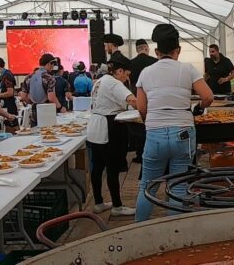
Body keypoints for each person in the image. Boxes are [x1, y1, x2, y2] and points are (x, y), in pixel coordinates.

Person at [135, 24, 213, 222]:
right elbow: (208, 96)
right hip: (184, 133)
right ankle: (174, 230)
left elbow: (142, 108)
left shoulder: (145, 72)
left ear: (156, 51)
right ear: (177, 50)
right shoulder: (188, 69)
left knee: (148, 186)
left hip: (155, 133)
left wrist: (149, 121)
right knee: (179, 186)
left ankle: (138, 230)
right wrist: (199, 109)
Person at [87, 58, 137, 216]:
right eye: (126, 74)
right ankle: (117, 206)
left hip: (95, 124)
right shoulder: (114, 83)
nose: (127, 78)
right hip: (109, 126)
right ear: (120, 71)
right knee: (112, 167)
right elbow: (133, 100)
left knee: (97, 167)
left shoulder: (100, 81)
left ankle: (99, 202)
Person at [20, 54, 64, 126]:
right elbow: (51, 97)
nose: (53, 67)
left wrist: (33, 102)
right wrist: (60, 107)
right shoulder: (49, 78)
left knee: (35, 133)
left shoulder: (28, 77)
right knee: (48, 133)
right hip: (47, 110)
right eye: (53, 65)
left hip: (34, 110)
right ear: (49, 64)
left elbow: (23, 96)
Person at [0, 57, 19, 132]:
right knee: (8, 127)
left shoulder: (7, 75)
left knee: (13, 129)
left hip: (9, 106)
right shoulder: (2, 76)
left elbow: (10, 92)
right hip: (5, 105)